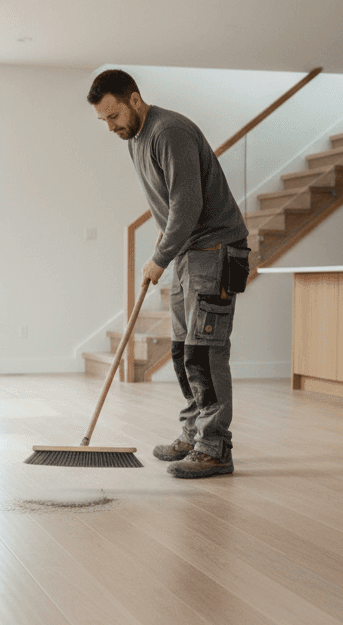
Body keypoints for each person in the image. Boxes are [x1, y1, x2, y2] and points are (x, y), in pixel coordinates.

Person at [87, 69, 249, 479]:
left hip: (214, 249)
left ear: (134, 99)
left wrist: (160, 257)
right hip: (188, 253)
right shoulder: (135, 138)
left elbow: (187, 204)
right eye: (104, 120)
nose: (110, 127)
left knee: (205, 351)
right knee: (182, 349)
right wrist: (164, 249)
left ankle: (215, 448)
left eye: (113, 116)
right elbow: (168, 202)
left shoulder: (168, 132)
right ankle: (194, 433)